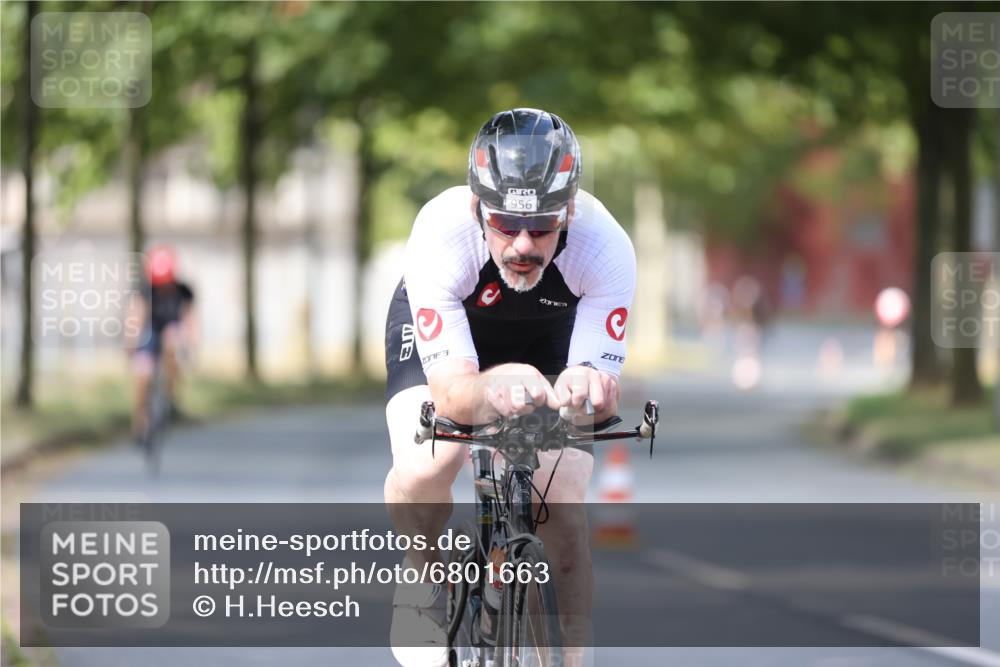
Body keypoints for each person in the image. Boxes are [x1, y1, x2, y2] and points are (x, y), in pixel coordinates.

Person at [383, 108, 637, 667]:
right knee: (427, 464)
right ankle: (423, 567)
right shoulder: (440, 235)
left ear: (568, 211)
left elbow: (594, 403)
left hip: (549, 333)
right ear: (478, 207)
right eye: (504, 223)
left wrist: (590, 393)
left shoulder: (605, 248)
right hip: (453, 331)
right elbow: (453, 397)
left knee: (563, 503)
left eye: (543, 226)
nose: (523, 244)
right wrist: (502, 384)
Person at [127, 244, 196, 442]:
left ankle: (169, 397)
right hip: (150, 334)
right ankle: (139, 420)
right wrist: (131, 343)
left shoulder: (183, 292)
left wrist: (191, 345)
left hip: (171, 333)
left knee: (172, 338)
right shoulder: (144, 290)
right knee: (142, 374)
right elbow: (136, 317)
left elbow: (190, 320)